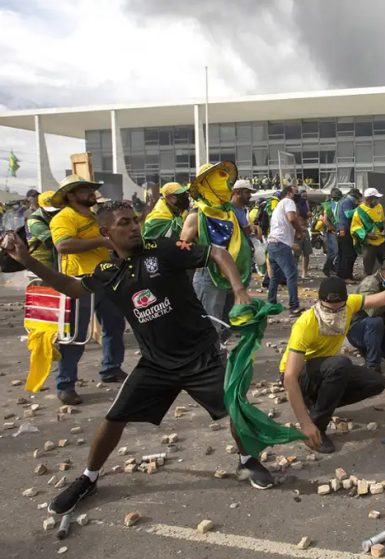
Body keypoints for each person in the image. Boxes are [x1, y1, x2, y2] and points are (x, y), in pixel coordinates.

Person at [3, 202, 276, 514]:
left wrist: (239, 289)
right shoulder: (107, 272)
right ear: (106, 232)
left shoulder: (164, 247)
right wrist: (26, 260)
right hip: (156, 364)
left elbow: (216, 252)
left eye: (135, 220)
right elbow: (71, 287)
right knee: (113, 418)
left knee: (235, 408)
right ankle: (88, 478)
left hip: (202, 356)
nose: (134, 226)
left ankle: (247, 459)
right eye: (124, 223)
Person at [280, 261, 385, 454]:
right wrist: (304, 424)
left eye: (339, 308)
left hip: (325, 369)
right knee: (340, 365)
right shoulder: (306, 324)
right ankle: (316, 427)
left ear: (345, 302)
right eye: (329, 308)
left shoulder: (352, 304)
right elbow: (289, 376)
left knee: (376, 382)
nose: (334, 313)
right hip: (299, 375)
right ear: (320, 302)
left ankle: (317, 404)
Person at [49, 175, 127, 405]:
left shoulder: (93, 217)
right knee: (75, 336)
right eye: (85, 190)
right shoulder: (64, 217)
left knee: (114, 325)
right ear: (71, 195)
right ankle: (66, 384)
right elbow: (63, 245)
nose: (91, 193)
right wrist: (102, 243)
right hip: (78, 282)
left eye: (91, 189)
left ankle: (111, 368)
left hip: (104, 278)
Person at [181, 162, 253, 341]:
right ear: (208, 185)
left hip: (230, 275)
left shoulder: (227, 212)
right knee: (208, 324)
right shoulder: (197, 214)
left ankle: (216, 354)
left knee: (224, 324)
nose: (226, 184)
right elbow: (182, 248)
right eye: (219, 179)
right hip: (208, 275)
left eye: (226, 179)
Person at [266, 185, 307, 314]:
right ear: (289, 193)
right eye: (296, 192)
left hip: (273, 243)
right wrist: (300, 231)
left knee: (275, 277)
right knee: (292, 275)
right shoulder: (288, 201)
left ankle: (271, 303)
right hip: (280, 244)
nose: (298, 194)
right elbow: (291, 218)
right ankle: (294, 306)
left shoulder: (279, 205)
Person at [351, 187, 385, 276]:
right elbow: (355, 228)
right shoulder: (359, 211)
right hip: (369, 244)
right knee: (368, 268)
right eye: (376, 198)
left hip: (382, 242)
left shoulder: (379, 207)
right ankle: (367, 286)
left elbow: (381, 221)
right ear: (369, 199)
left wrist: (384, 230)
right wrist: (367, 235)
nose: (378, 200)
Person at [26, 191, 61, 269]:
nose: (55, 213)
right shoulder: (34, 221)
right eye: (51, 211)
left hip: (57, 258)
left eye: (57, 210)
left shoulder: (60, 215)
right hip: (41, 261)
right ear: (41, 207)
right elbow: (54, 242)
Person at [334, 188, 361, 281]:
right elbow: (348, 214)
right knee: (348, 254)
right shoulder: (347, 202)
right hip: (345, 230)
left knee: (344, 254)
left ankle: (342, 275)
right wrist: (358, 208)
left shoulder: (346, 201)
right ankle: (345, 276)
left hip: (343, 230)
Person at [321, 188, 342, 277]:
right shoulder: (329, 206)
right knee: (334, 252)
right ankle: (327, 269)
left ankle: (333, 268)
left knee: (335, 252)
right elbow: (325, 219)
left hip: (335, 230)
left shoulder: (337, 205)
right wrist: (332, 228)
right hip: (330, 232)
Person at [292, 188, 313, 278]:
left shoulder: (305, 203)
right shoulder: (295, 204)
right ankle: (294, 273)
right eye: (303, 195)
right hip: (298, 230)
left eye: (306, 195)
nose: (304, 197)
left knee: (306, 252)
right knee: (296, 253)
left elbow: (307, 214)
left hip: (304, 229)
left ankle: (304, 272)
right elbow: (298, 215)